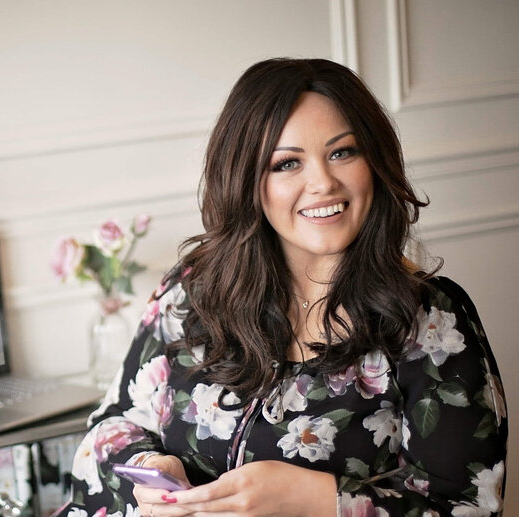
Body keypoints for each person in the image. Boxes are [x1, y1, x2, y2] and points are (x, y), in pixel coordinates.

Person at [57, 58, 508, 516]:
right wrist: (147, 469)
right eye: (287, 163)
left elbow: (467, 507)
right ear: (247, 180)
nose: (323, 182)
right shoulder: (194, 288)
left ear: (374, 161)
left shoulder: (433, 322)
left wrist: (314, 500)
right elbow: (110, 427)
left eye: (342, 152)